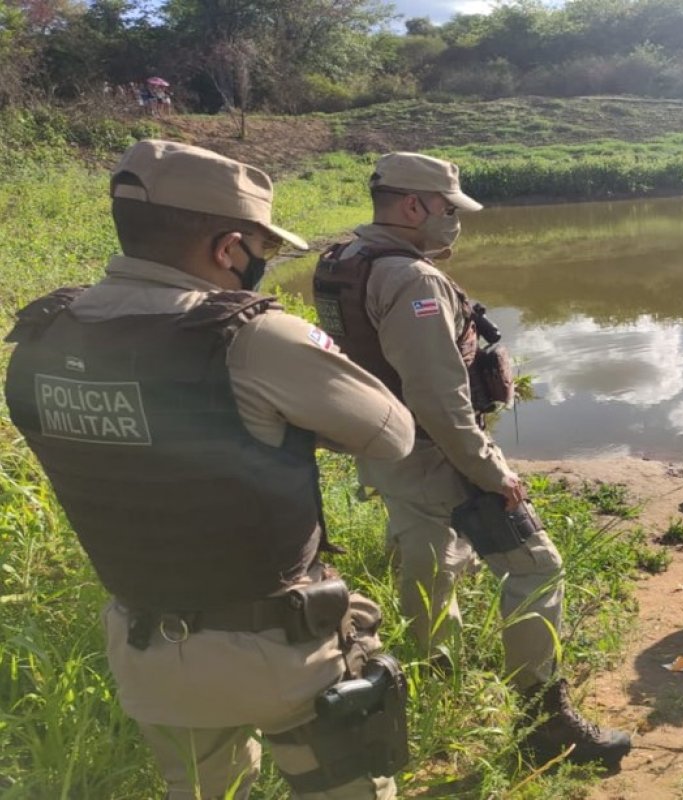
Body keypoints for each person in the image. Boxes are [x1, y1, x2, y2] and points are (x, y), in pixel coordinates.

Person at [4, 140, 418, 799]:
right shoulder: (250, 335)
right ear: (228, 248)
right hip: (279, 651)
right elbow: (392, 435)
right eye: (262, 248)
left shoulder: (42, 335)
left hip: (145, 649)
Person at [311, 151, 632, 770]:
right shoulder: (413, 280)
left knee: (427, 558)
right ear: (414, 206)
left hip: (386, 446)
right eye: (448, 208)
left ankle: (437, 674)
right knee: (537, 567)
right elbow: (438, 397)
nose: (456, 220)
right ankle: (545, 722)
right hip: (440, 454)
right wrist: (492, 470)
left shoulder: (344, 260)